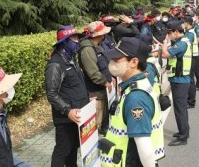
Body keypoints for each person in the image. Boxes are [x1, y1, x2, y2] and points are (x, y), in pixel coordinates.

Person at [100, 37, 164, 167]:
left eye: (117, 59)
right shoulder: (137, 84)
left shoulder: (136, 98)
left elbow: (144, 147)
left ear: (134, 62)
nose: (111, 62)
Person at [45, 25, 90, 167]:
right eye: (74, 38)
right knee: (62, 151)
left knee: (72, 149)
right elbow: (52, 94)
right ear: (64, 42)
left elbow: (76, 86)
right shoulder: (55, 65)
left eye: (78, 38)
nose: (77, 41)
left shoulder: (72, 59)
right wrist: (67, 110)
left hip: (78, 116)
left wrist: (88, 100)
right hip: (66, 118)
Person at [79, 21, 114, 136]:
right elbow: (93, 72)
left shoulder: (96, 46)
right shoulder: (87, 49)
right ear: (98, 35)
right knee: (95, 123)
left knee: (102, 119)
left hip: (101, 90)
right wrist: (105, 82)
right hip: (95, 92)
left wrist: (110, 77)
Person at [161, 21, 192, 146]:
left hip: (180, 80)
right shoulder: (182, 41)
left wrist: (164, 42)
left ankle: (183, 136)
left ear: (176, 31)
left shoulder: (180, 44)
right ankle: (184, 131)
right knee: (182, 108)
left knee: (180, 109)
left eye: (169, 33)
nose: (169, 35)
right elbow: (175, 60)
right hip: (179, 79)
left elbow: (164, 54)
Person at [183, 16, 199, 108]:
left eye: (184, 22)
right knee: (190, 79)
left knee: (190, 80)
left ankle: (191, 101)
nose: (183, 24)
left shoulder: (189, 34)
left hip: (191, 58)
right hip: (192, 57)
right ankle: (190, 100)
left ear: (187, 23)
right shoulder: (190, 32)